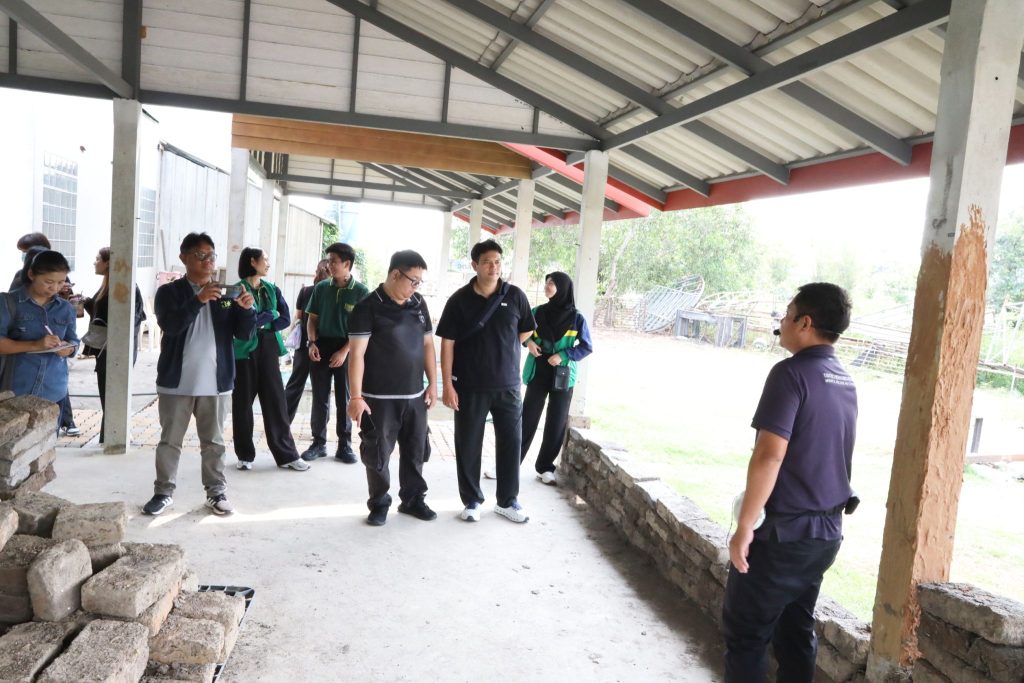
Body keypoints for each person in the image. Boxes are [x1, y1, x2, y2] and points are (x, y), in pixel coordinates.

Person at [722, 282, 858, 683]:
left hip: (783, 537)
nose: (781, 321)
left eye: (786, 314)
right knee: (796, 632)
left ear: (805, 323)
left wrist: (745, 526)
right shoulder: (844, 378)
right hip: (824, 535)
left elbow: (770, 455)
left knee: (746, 636)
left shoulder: (790, 374)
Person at [142, 233, 256, 517]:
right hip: (176, 382)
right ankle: (163, 492)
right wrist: (199, 299)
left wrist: (247, 310)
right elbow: (171, 325)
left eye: (211, 255)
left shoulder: (226, 294)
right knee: (169, 441)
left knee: (214, 442)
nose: (208, 261)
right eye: (201, 255)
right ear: (184, 258)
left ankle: (216, 493)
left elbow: (244, 334)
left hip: (216, 383)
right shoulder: (169, 292)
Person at [436, 239, 536, 523]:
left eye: (498, 262)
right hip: (469, 386)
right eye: (487, 262)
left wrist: (503, 350)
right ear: (474, 265)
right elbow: (447, 343)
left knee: (511, 443)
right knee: (468, 444)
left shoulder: (515, 296)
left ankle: (508, 501)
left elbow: (525, 331)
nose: (494, 267)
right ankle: (471, 500)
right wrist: (448, 385)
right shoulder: (459, 300)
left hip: (508, 386)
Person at [347, 250, 438, 526]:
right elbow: (357, 354)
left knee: (416, 451)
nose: (416, 287)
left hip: (415, 396)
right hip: (379, 399)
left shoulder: (418, 304)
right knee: (377, 454)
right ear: (396, 274)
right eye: (413, 281)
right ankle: (379, 503)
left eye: (419, 282)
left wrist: (433, 384)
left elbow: (427, 345)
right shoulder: (367, 307)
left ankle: (413, 499)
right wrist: (356, 396)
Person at [231, 247, 310, 472]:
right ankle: (245, 455)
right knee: (242, 403)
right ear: (252, 261)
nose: (268, 263)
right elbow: (238, 323)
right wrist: (266, 317)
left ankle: (287, 455)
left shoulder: (271, 289)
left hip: (268, 347)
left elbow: (284, 318)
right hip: (244, 350)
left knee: (276, 401)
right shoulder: (236, 290)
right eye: (264, 259)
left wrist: (260, 320)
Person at [521, 272, 593, 486]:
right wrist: (529, 344)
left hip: (563, 374)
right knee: (527, 417)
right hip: (538, 369)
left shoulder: (577, 318)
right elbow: (522, 333)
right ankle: (509, 463)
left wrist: (564, 355)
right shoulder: (537, 312)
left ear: (562, 288)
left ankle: (545, 467)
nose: (547, 286)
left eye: (551, 283)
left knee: (557, 420)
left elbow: (586, 346)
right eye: (546, 283)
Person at [301, 242, 369, 463]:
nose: (329, 265)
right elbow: (312, 319)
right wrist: (312, 343)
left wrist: (344, 351)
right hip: (321, 345)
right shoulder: (321, 288)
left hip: (349, 348)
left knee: (344, 398)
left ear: (347, 264)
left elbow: (362, 329)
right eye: (328, 260)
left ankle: (345, 445)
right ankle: (318, 443)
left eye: (333, 261)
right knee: (319, 397)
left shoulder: (361, 292)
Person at [0, 250, 80, 430]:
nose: (55, 288)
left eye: (61, 282)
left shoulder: (66, 309)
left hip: (54, 390)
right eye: (49, 282)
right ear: (31, 274)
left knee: (48, 444)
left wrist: (68, 349)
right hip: (15, 390)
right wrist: (35, 345)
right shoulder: (7, 302)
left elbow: (74, 341)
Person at [82, 247, 147, 444]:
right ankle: (108, 439)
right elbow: (102, 312)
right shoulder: (108, 285)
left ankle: (112, 439)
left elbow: (130, 321)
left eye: (97, 259)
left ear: (108, 263)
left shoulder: (126, 286)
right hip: (104, 350)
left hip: (115, 352)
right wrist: (85, 302)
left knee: (111, 400)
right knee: (108, 400)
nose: (95, 263)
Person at [285, 258, 330, 422]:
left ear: (316, 272)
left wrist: (290, 338)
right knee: (321, 389)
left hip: (304, 343)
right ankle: (319, 429)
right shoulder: (331, 293)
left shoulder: (305, 291)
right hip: (324, 345)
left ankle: (283, 422)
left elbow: (298, 316)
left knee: (295, 384)